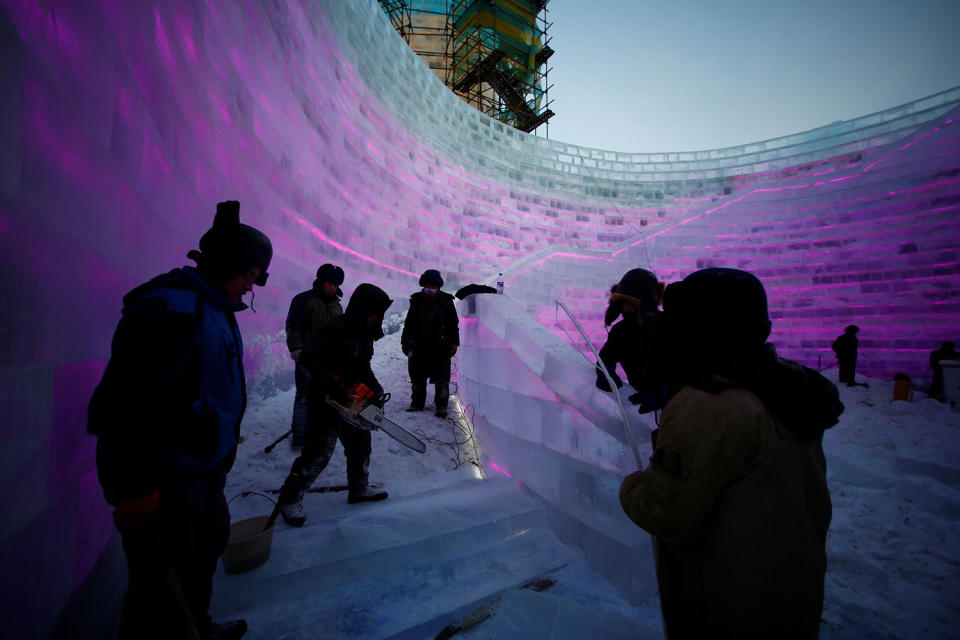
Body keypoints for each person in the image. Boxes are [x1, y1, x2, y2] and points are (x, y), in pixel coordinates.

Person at [618, 268, 842, 639]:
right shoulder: (787, 387)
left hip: (728, 610)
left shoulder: (710, 404)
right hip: (790, 600)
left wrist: (630, 483)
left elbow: (665, 512)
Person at [87, 201, 271, 640]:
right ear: (225, 264)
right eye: (248, 275)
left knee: (203, 553)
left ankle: (198, 628)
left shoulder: (212, 306)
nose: (250, 287)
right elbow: (123, 405)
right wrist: (133, 487)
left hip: (201, 470)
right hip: (165, 478)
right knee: (161, 587)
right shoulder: (170, 310)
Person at [277, 283, 394, 526]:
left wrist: (375, 388)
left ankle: (359, 488)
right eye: (373, 313)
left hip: (353, 404)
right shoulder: (332, 329)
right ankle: (291, 498)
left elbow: (363, 367)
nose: (375, 318)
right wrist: (335, 386)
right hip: (326, 400)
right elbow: (310, 359)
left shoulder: (364, 335)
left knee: (361, 446)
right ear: (362, 309)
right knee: (317, 454)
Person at [285, 263, 345, 448]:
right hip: (307, 357)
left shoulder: (337, 307)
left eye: (335, 284)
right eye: (329, 283)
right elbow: (294, 325)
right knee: (303, 395)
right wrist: (296, 348)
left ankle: (317, 430)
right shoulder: (304, 300)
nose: (331, 287)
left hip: (328, 361)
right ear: (321, 281)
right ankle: (300, 435)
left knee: (323, 395)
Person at [595, 268, 666, 413]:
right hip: (646, 404)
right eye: (622, 303)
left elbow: (691, 367)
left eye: (631, 303)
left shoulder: (668, 325)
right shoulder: (620, 331)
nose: (625, 309)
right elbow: (606, 358)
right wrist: (605, 373)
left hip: (681, 406)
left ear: (645, 303)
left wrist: (664, 392)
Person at [401, 269, 460, 418]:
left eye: (434, 286)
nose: (431, 289)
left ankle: (441, 407)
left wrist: (454, 344)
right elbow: (409, 323)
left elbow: (453, 325)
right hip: (419, 346)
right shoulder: (416, 300)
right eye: (428, 286)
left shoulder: (447, 301)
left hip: (441, 347)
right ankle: (417, 404)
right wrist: (405, 342)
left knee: (442, 380)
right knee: (417, 378)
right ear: (423, 285)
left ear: (439, 287)